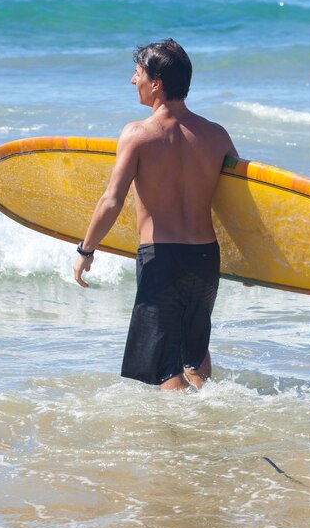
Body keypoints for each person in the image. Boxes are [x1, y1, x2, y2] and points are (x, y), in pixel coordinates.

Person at [73, 39, 238, 390]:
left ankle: (184, 438)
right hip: (205, 258)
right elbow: (238, 204)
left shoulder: (138, 135)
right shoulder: (216, 135)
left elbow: (112, 200)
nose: (134, 81)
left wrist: (86, 250)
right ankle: (210, 420)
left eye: (137, 74)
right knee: (195, 354)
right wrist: (252, 263)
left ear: (156, 83)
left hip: (161, 258)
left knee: (165, 368)